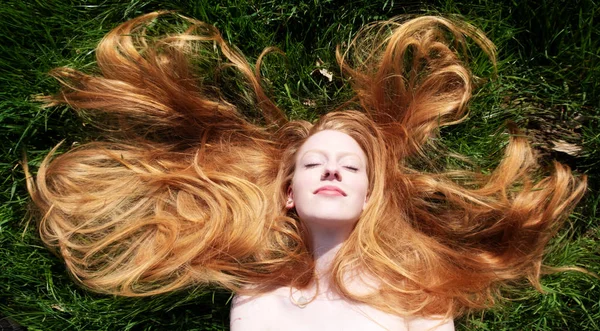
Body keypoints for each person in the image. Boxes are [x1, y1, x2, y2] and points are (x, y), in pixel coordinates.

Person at [25, 11, 586, 330]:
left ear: (370, 196)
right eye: (314, 163)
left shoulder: (420, 293)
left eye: (351, 167)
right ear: (288, 195)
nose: (333, 171)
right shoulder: (256, 299)